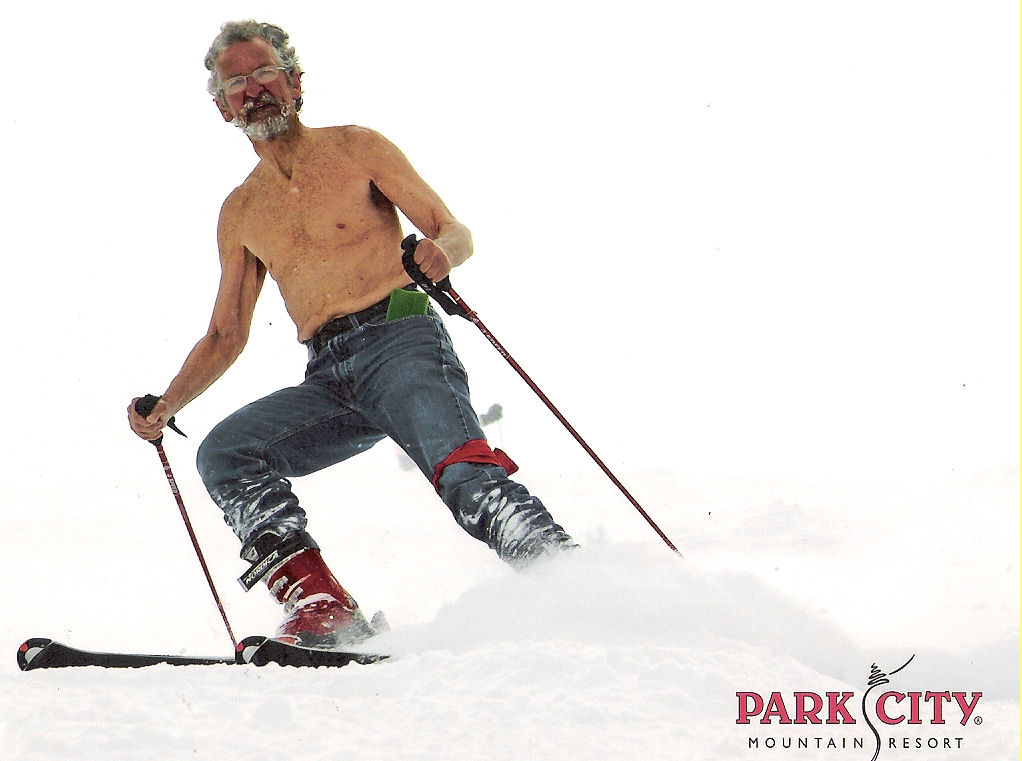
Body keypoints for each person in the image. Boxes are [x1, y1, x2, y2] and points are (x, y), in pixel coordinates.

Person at [127, 20, 575, 650]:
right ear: (223, 108)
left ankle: (574, 583)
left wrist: (442, 253)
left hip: (401, 337)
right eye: (236, 82)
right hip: (328, 377)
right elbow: (226, 334)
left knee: (464, 476)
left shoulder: (356, 147)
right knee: (226, 455)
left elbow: (453, 230)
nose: (253, 88)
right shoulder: (240, 211)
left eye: (264, 72)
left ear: (295, 82)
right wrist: (168, 405)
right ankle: (323, 610)